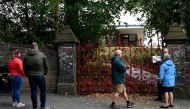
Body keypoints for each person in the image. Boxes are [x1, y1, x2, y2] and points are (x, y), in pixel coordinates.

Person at [23, 42, 49, 109]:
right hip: (40, 76)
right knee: (43, 91)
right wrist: (45, 74)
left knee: (33, 91)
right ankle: (42, 106)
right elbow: (46, 66)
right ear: (37, 47)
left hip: (31, 76)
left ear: (31, 47)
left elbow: (24, 67)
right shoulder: (42, 55)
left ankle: (35, 107)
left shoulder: (26, 56)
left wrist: (27, 74)